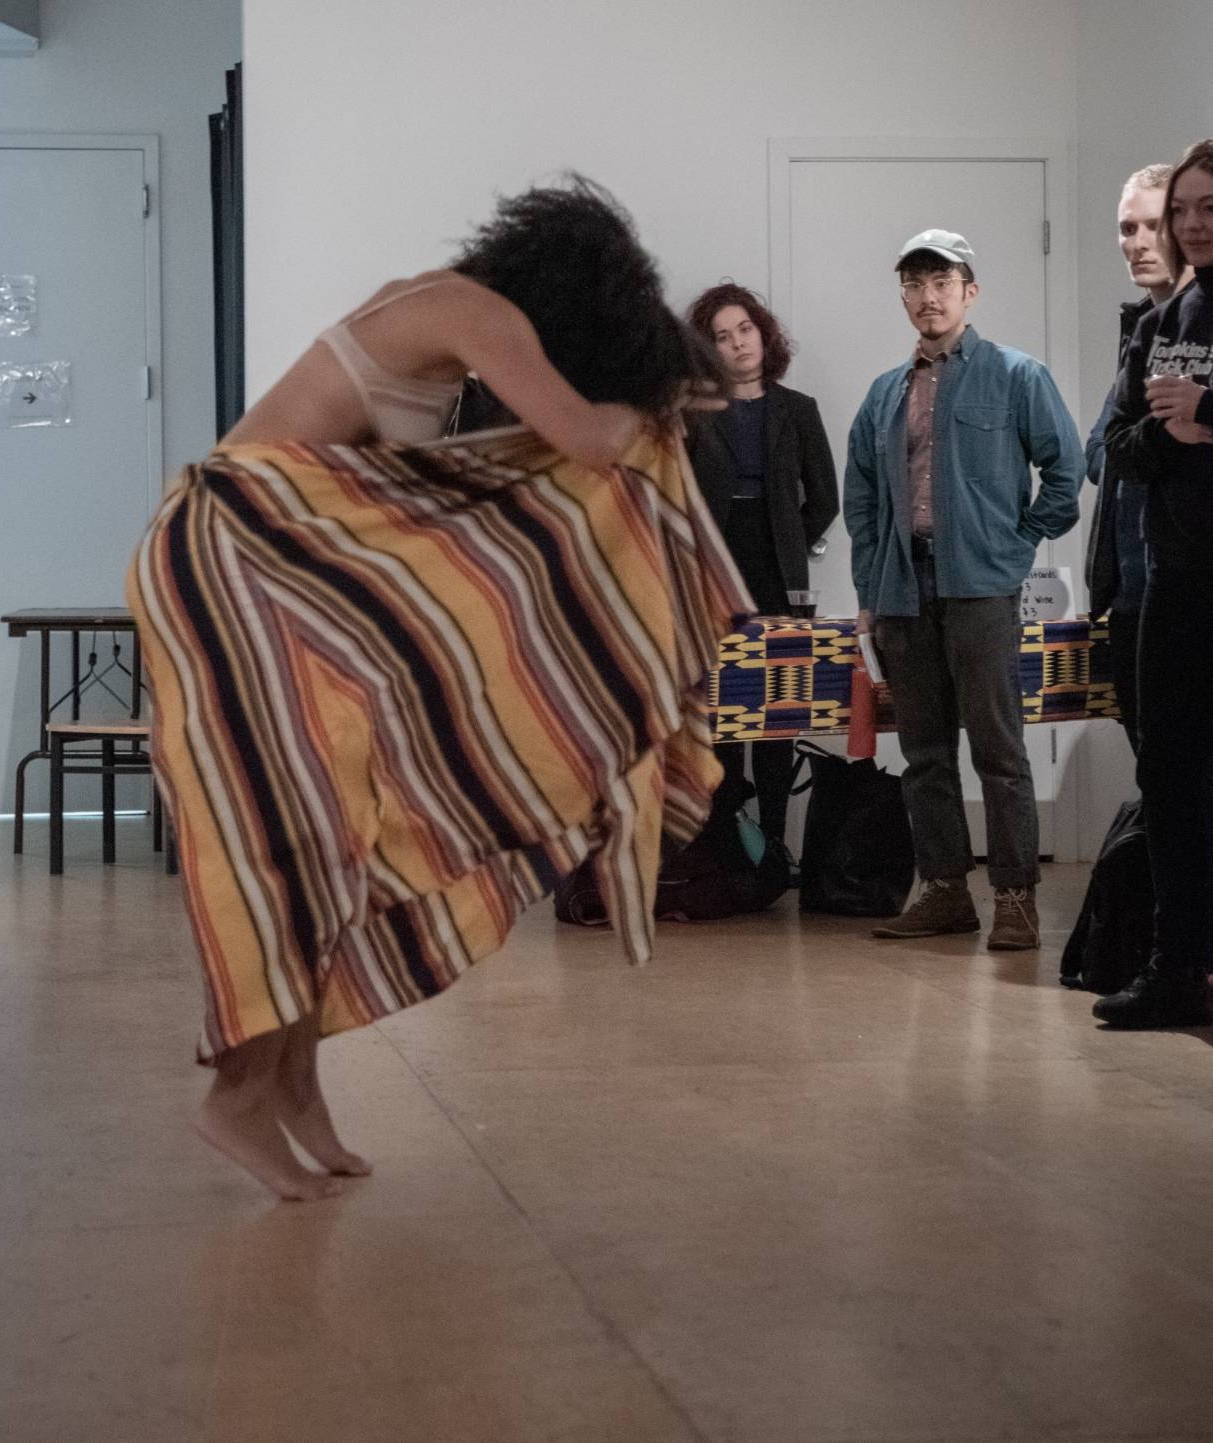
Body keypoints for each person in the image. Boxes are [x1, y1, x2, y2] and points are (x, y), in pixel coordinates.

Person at [128, 178, 748, 1199]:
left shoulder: (432, 298)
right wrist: (661, 397)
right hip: (228, 554)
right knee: (286, 824)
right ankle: (238, 1091)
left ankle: (290, 1080)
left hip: (252, 556)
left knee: (338, 822)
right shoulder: (477, 314)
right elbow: (588, 437)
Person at [843, 229, 1083, 951]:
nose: (927, 296)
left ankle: (1015, 896)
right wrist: (872, 580)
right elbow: (860, 496)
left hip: (982, 589)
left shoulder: (1017, 375)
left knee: (1000, 750)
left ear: (969, 291)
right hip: (903, 591)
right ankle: (945, 890)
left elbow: (1065, 476)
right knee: (922, 752)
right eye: (914, 283)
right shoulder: (887, 392)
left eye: (941, 281)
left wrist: (1011, 550)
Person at [1095, 140, 1213, 1029]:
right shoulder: (1168, 320)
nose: (1189, 225)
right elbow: (1121, 450)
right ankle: (1177, 969)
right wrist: (1176, 437)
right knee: (1171, 780)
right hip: (1173, 580)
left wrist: (1205, 423)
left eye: (1204, 208)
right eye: (1181, 211)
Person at [684, 284, 839, 855]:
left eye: (744, 330)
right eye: (722, 337)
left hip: (778, 565)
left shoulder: (798, 410)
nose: (737, 344)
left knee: (779, 705)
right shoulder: (693, 414)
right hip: (713, 569)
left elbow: (826, 497)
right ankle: (729, 840)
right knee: (723, 704)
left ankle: (775, 840)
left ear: (763, 333)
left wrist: (795, 540)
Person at [1085, 165, 1180, 748]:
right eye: (1126, 228)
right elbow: (1098, 454)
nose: (1137, 242)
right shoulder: (1140, 331)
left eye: (1151, 225)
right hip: (1130, 595)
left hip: (1186, 588)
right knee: (1156, 772)